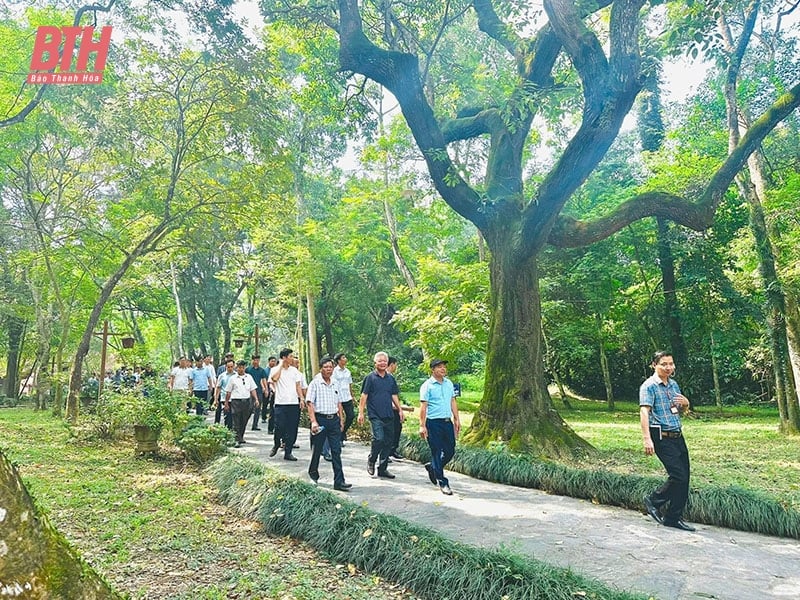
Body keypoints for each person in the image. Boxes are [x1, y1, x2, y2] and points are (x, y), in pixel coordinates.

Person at [640, 351, 695, 532]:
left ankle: (673, 518)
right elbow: (644, 412)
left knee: (684, 478)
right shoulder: (649, 386)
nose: (669, 367)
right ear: (654, 365)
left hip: (677, 434)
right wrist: (647, 439)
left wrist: (686, 404)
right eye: (664, 364)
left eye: (671, 364)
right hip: (661, 436)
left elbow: (677, 410)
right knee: (678, 475)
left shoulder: (673, 385)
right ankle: (653, 500)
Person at [307, 356, 352, 491]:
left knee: (336, 451)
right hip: (320, 420)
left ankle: (339, 481)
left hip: (334, 420)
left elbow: (339, 402)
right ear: (321, 368)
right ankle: (313, 474)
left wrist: (341, 419)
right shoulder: (315, 383)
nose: (328, 370)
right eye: (326, 367)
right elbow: (310, 403)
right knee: (317, 449)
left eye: (330, 367)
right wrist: (313, 421)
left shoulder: (335, 383)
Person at [358, 351, 403, 479]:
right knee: (379, 439)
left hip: (388, 414)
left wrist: (400, 410)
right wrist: (361, 413)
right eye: (380, 361)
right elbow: (364, 396)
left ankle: (382, 469)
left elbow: (394, 395)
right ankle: (372, 459)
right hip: (375, 414)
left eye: (385, 361)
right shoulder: (370, 378)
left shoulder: (390, 378)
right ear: (375, 363)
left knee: (388, 442)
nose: (383, 363)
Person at [419, 358, 460, 496]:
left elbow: (453, 401)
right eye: (439, 367)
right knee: (436, 451)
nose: (443, 369)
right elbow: (423, 407)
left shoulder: (449, 384)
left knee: (450, 450)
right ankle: (443, 482)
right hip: (433, 423)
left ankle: (433, 467)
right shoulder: (427, 386)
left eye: (444, 367)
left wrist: (456, 419)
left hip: (447, 422)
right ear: (432, 369)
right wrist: (422, 425)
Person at [269, 348, 304, 461]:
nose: (292, 359)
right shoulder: (275, 369)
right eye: (290, 356)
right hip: (280, 403)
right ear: (284, 357)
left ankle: (288, 452)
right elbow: (274, 379)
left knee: (292, 428)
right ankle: (276, 443)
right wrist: (280, 365)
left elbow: (298, 386)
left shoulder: (294, 371)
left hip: (293, 403)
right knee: (279, 426)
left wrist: (301, 399)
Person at [224, 360, 259, 448]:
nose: (241, 369)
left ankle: (241, 437)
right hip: (236, 402)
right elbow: (228, 392)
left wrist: (256, 399)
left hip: (246, 401)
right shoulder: (233, 378)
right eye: (239, 367)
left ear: (245, 368)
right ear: (237, 368)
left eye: (243, 367)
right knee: (236, 421)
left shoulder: (249, 377)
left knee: (244, 420)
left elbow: (253, 389)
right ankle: (236, 439)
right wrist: (226, 403)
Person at [332, 353, 356, 443]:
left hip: (347, 397)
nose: (345, 359)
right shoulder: (334, 372)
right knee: (339, 418)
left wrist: (352, 396)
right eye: (343, 357)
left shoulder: (347, 371)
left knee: (351, 416)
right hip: (338, 398)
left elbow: (350, 384)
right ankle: (339, 438)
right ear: (338, 361)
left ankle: (343, 432)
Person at [387, 356, 405, 461]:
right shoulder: (388, 377)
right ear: (392, 364)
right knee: (391, 430)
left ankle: (392, 450)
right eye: (395, 364)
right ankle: (386, 452)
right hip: (389, 409)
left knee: (397, 428)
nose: (396, 367)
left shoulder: (390, 377)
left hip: (394, 407)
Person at [246, 355, 269, 431]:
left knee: (258, 408)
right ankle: (244, 423)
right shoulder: (248, 370)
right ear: (252, 360)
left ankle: (255, 425)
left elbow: (264, 379)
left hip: (258, 390)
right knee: (249, 408)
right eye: (254, 360)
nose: (256, 362)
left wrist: (266, 389)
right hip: (248, 391)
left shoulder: (261, 370)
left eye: (257, 360)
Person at [214, 359, 236, 429]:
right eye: (228, 367)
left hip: (235, 398)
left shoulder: (237, 375)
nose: (230, 368)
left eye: (231, 367)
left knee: (234, 417)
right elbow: (218, 388)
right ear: (225, 367)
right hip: (225, 399)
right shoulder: (222, 376)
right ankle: (228, 430)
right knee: (227, 417)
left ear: (234, 366)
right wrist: (216, 399)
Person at [261, 356, 277, 431]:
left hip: (274, 391)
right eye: (272, 361)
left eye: (274, 361)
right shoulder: (265, 370)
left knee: (272, 407)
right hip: (267, 389)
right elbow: (262, 379)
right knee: (265, 403)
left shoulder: (277, 370)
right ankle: (263, 417)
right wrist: (265, 388)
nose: (273, 362)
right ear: (269, 362)